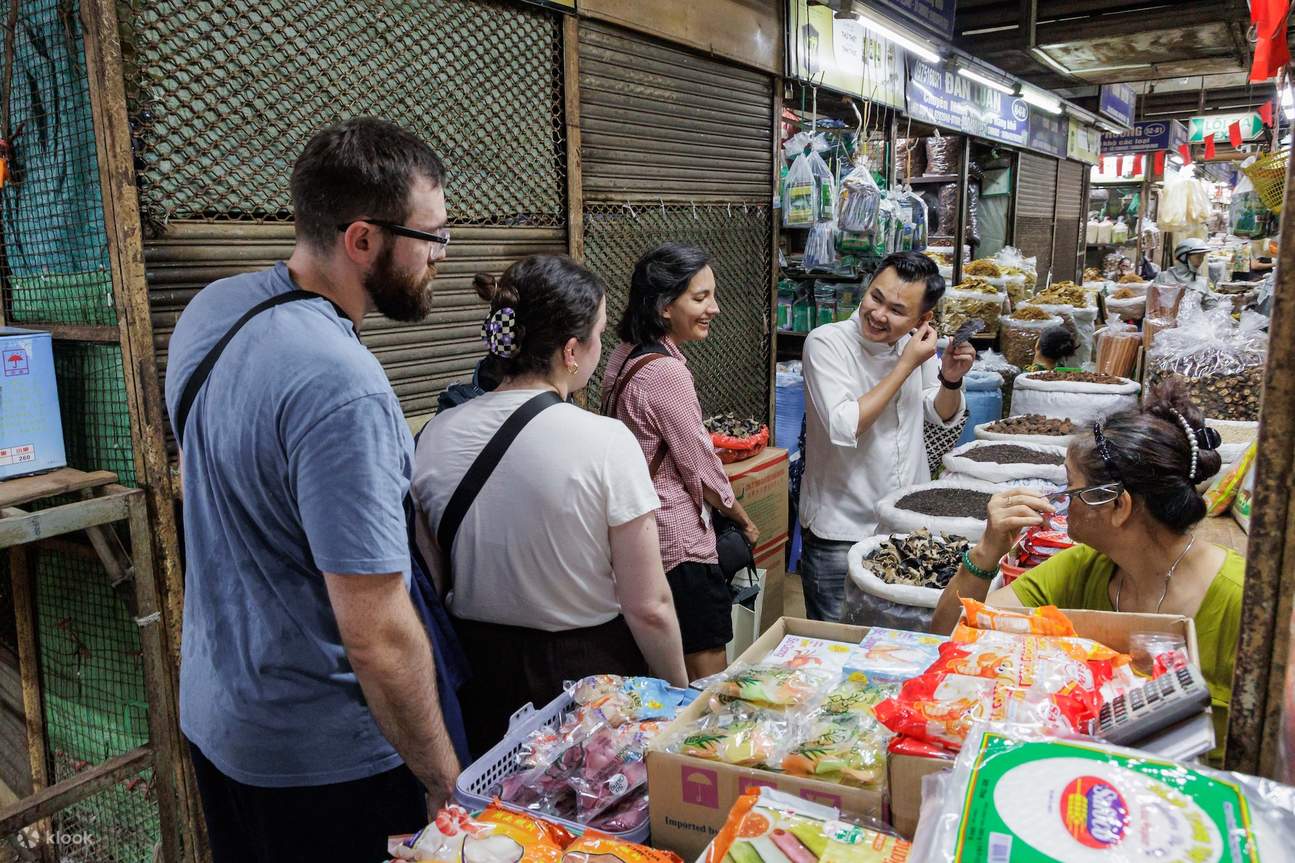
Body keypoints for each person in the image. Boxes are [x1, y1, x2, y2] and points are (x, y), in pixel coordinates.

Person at [163, 118, 460, 860]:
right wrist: (443, 775)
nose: (442, 258)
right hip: (322, 763)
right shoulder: (339, 382)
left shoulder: (211, 310)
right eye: (432, 236)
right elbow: (377, 632)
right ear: (362, 240)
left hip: (218, 721)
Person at [411, 255, 688, 755]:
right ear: (571, 351)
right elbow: (648, 606)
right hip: (586, 682)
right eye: (600, 335)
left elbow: (433, 579)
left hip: (479, 681)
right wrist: (678, 700)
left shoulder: (434, 434)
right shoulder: (605, 442)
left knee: (499, 823)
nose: (602, 348)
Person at [931, 382, 1242, 765]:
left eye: (1070, 485)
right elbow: (948, 635)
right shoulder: (1083, 568)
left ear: (1116, 505)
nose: (1059, 498)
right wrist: (987, 550)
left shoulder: (1244, 604)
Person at [601, 243, 761, 680]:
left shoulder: (624, 355)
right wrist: (743, 519)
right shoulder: (666, 372)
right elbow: (702, 468)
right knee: (706, 678)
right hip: (679, 547)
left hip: (641, 538)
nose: (715, 308)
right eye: (700, 297)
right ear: (664, 306)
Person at [798, 251, 974, 621]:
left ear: (922, 318)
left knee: (901, 642)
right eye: (875, 297)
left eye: (896, 310)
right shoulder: (826, 343)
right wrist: (906, 364)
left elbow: (938, 415)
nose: (878, 315)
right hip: (842, 529)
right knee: (839, 644)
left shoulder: (913, 347)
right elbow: (845, 425)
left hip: (907, 527)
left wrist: (950, 379)